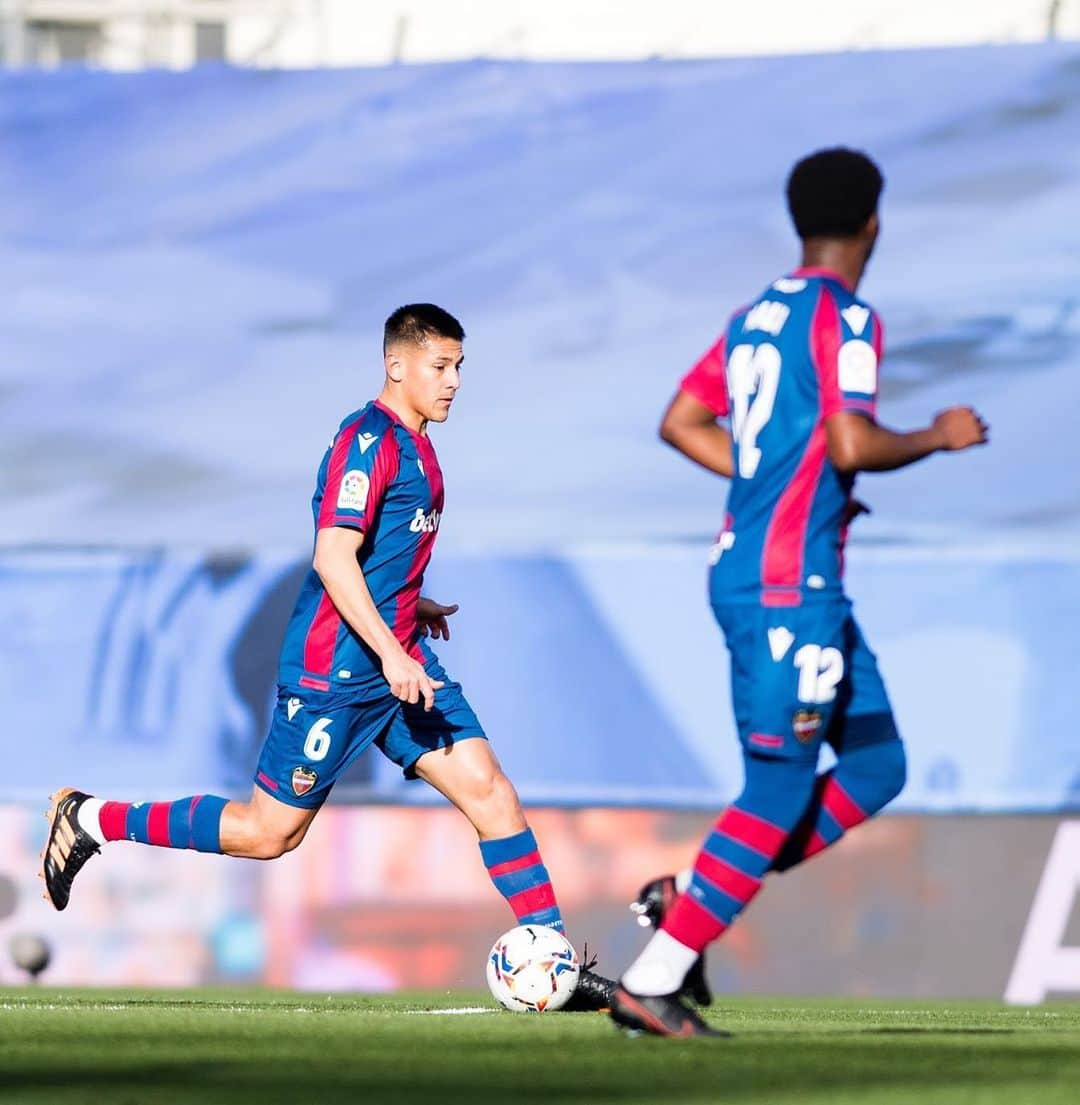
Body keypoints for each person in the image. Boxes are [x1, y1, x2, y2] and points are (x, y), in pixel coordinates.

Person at [42, 303, 614, 1010]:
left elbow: (375, 559)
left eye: (460, 365)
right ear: (395, 364)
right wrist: (391, 652)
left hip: (395, 661)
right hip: (336, 673)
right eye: (440, 365)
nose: (454, 380)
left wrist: (415, 604)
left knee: (490, 790)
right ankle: (92, 818)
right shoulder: (366, 441)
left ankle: (553, 960)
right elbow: (333, 557)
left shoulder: (421, 444)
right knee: (267, 833)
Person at [609, 149, 989, 1037]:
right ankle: (650, 982)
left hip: (789, 578)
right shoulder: (846, 316)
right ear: (873, 224)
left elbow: (679, 420)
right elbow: (852, 443)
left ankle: (687, 898)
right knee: (778, 787)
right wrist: (936, 434)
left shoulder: (756, 315)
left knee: (876, 764)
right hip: (787, 586)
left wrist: (773, 478)